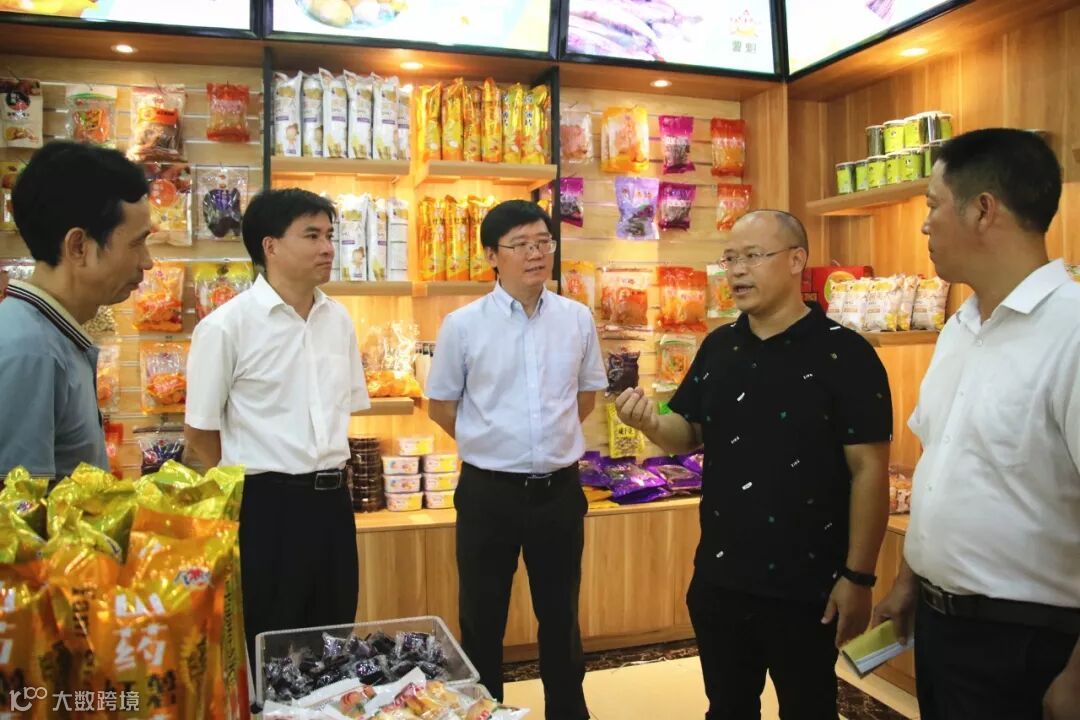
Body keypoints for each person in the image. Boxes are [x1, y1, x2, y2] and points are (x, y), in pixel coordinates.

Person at [616, 210, 893, 719]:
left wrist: (859, 576)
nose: (737, 270)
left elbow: (869, 472)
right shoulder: (719, 347)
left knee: (808, 709)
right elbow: (687, 431)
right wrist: (650, 422)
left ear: (796, 260)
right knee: (727, 708)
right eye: (729, 259)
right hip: (721, 577)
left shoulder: (847, 354)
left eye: (752, 256)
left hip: (809, 585)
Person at [871, 128, 1080, 719]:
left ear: (984, 210)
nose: (925, 225)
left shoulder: (1070, 332)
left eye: (933, 205)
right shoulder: (961, 327)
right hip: (942, 627)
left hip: (1030, 641)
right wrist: (909, 581)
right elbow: (942, 468)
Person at [425, 200, 607, 719]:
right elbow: (442, 406)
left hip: (558, 491)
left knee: (561, 614)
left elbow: (586, 395)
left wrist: (545, 443)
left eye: (543, 242)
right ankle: (483, 712)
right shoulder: (462, 325)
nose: (535, 254)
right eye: (521, 244)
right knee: (482, 617)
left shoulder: (576, 318)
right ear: (492, 256)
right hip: (488, 493)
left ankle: (567, 711)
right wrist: (491, 443)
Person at [184, 188, 370, 662]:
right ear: (270, 246)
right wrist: (248, 487)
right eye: (312, 235)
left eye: (329, 235)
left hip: (333, 502)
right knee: (269, 644)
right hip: (266, 507)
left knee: (333, 638)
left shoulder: (339, 319)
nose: (327, 247)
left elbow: (344, 408)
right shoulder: (225, 327)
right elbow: (200, 432)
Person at [0, 141, 152, 483]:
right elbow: (17, 507)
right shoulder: (31, 351)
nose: (148, 262)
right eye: (137, 243)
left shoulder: (49, 336)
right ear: (78, 246)